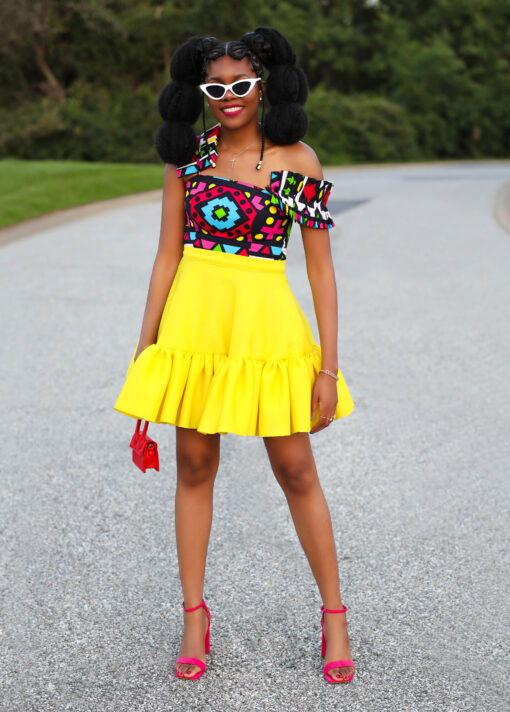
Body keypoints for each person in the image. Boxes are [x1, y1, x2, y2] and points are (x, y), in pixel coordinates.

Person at [114, 26, 355, 684]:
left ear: (264, 85)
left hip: (266, 331)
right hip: (194, 329)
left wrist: (328, 367)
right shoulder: (185, 159)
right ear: (200, 91)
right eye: (215, 88)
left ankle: (334, 616)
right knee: (194, 464)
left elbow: (321, 270)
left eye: (241, 85)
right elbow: (166, 257)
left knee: (296, 469)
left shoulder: (298, 161)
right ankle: (195, 616)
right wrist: (146, 347)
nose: (228, 97)